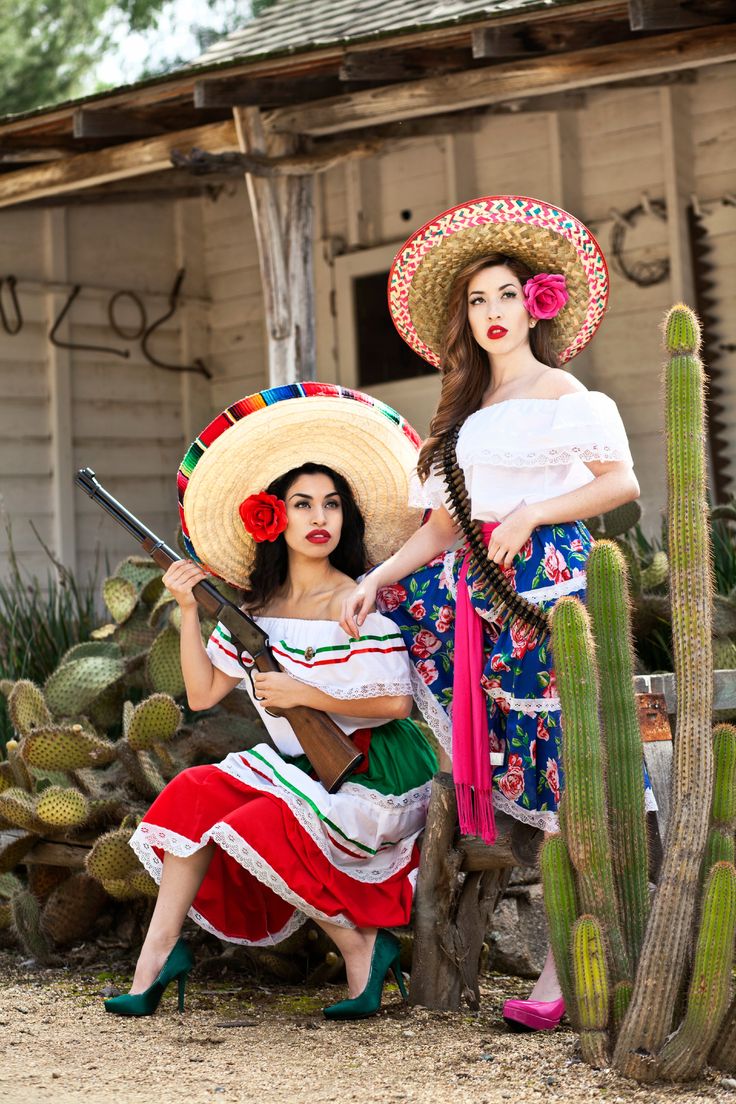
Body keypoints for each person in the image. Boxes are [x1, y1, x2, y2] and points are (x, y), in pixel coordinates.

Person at [340, 195, 656, 1031]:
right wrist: (380, 575)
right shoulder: (460, 414)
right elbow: (442, 526)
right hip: (471, 587)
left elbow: (619, 483)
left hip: (542, 589)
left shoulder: (567, 394)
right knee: (395, 617)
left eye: (506, 296)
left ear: (536, 304)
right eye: (476, 301)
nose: (491, 313)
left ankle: (562, 974)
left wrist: (531, 514)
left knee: (565, 769)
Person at [104, 383, 437, 1022]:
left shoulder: (357, 601)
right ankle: (155, 961)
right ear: (274, 517)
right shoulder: (251, 615)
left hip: (374, 770)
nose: (319, 518)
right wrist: (187, 610)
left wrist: (303, 692)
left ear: (346, 518)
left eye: (332, 504)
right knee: (193, 794)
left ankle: (362, 950)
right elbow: (201, 694)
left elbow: (396, 704)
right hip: (300, 773)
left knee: (251, 823)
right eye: (302, 503)